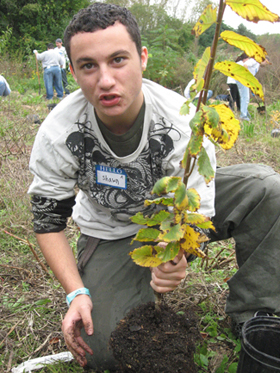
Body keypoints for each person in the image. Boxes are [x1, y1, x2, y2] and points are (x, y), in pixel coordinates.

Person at [28, 3, 280, 371]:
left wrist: (176, 256)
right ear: (72, 70)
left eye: (118, 60)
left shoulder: (180, 123)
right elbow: (47, 220)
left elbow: (194, 209)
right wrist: (76, 293)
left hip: (173, 213)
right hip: (110, 232)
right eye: (88, 66)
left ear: (142, 58)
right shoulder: (59, 132)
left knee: (266, 188)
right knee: (106, 350)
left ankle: (257, 311)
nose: (106, 80)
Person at [236, 53, 260, 121]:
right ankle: (243, 116)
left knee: (244, 98)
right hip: (242, 78)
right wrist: (246, 77)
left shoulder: (257, 64)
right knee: (245, 98)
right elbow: (245, 65)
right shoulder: (255, 60)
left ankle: (246, 115)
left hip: (241, 79)